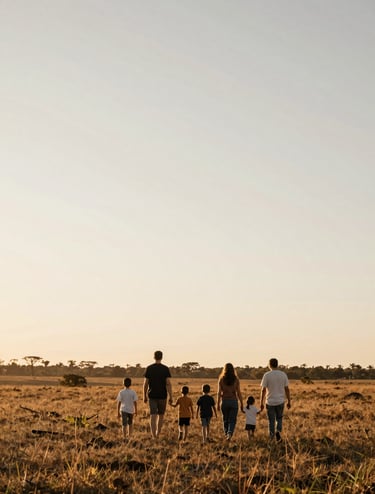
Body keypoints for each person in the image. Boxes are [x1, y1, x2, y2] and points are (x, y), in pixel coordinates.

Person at [143, 350, 173, 438]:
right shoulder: (165, 369)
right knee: (161, 415)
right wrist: (171, 396)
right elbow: (168, 383)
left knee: (153, 415)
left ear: (154, 357)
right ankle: (158, 433)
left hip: (152, 395)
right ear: (162, 357)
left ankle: (153, 435)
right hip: (163, 395)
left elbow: (145, 383)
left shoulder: (149, 368)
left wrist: (144, 395)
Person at [260, 358, 291, 441]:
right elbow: (287, 389)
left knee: (271, 421)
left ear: (269, 365)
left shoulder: (267, 375)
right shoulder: (283, 375)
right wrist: (289, 401)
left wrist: (261, 402)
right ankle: (278, 431)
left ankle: (271, 436)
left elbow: (263, 390)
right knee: (279, 418)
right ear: (277, 364)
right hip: (280, 401)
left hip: (270, 401)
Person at [217, 363, 244, 440]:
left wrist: (218, 403)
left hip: (224, 401)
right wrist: (241, 403)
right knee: (232, 420)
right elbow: (239, 392)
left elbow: (219, 393)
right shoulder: (236, 379)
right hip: (233, 402)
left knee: (225, 419)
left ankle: (226, 434)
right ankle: (229, 433)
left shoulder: (221, 379)